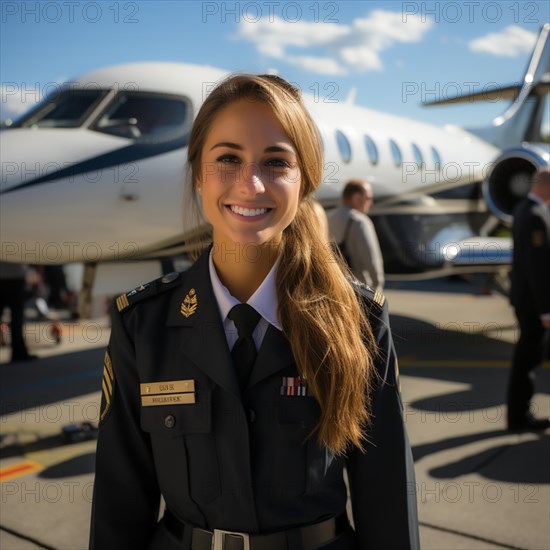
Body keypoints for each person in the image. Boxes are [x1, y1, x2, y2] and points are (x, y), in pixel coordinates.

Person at [90, 74, 419, 549]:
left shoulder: (359, 321)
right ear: (199, 175)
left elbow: (388, 495)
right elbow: (118, 502)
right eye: (228, 158)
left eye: (275, 162)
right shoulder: (141, 324)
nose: (251, 183)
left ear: (303, 179)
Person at [507, 167, 550, 431]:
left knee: (527, 357)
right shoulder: (534, 215)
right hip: (533, 303)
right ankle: (519, 417)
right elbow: (538, 269)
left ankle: (518, 414)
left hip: (526, 299)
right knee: (528, 358)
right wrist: (546, 310)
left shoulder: (525, 209)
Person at [327, 179, 385, 292]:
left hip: (334, 286)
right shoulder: (360, 221)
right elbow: (371, 259)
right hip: (358, 289)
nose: (371, 203)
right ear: (356, 198)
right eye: (367, 198)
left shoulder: (328, 217)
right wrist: (378, 285)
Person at [0, 262, 37, 363]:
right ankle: (18, 352)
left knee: (17, 317)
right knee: (17, 317)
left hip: (8, 275)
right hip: (15, 276)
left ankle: (19, 352)